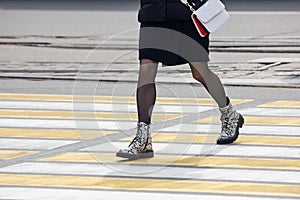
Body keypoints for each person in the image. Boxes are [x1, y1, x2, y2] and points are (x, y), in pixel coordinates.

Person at [116, 0, 244, 160]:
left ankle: (230, 114)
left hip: (185, 13)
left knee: (200, 72)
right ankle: (143, 140)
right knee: (146, 70)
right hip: (153, 13)